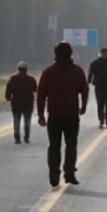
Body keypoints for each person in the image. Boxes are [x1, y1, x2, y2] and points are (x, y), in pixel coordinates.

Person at [38, 41, 89, 188]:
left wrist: (41, 115)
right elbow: (84, 90)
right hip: (71, 115)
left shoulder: (48, 72)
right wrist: (83, 106)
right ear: (71, 54)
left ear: (55, 54)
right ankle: (69, 173)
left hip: (54, 115)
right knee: (71, 145)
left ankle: (54, 174)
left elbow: (41, 95)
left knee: (54, 146)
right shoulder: (77, 71)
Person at [5, 61, 38, 144]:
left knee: (16, 121)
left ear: (18, 69)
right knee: (27, 121)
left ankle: (17, 137)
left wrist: (8, 98)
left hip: (16, 103)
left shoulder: (13, 79)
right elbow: (35, 89)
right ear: (26, 70)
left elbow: (8, 90)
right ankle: (26, 137)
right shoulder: (31, 79)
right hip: (28, 103)